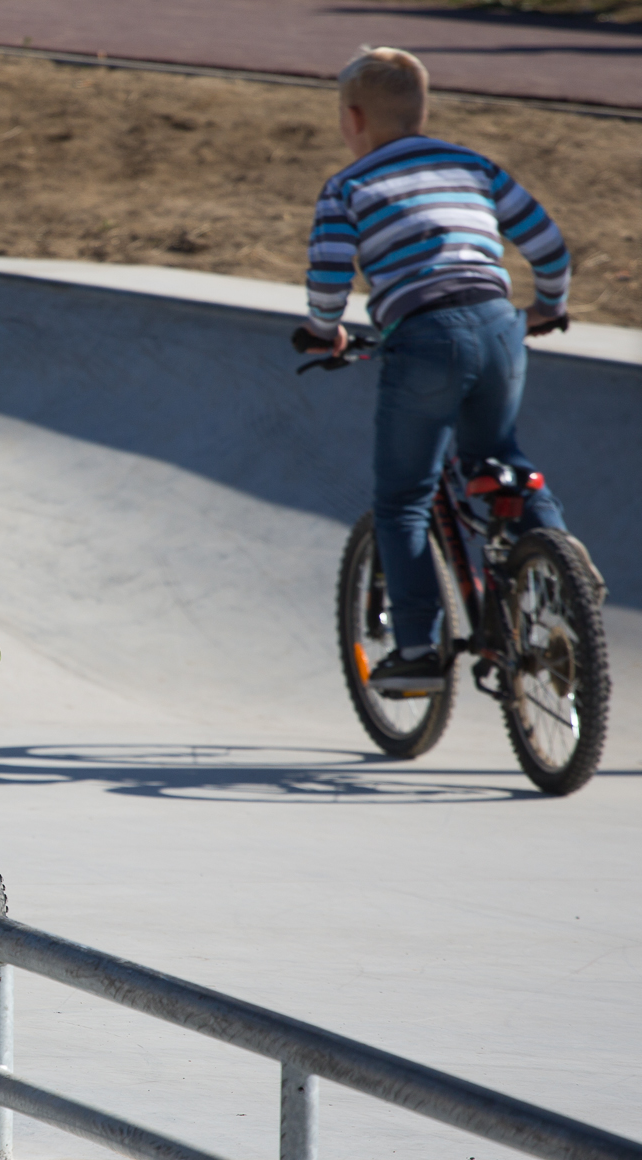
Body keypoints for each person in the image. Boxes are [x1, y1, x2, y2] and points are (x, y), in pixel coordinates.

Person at [295, 45, 581, 693]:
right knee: (499, 456)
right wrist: (548, 308)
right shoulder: (471, 164)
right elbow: (549, 245)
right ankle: (566, 578)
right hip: (500, 326)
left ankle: (419, 648)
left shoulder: (349, 184)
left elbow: (330, 273)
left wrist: (322, 331)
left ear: (354, 117)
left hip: (424, 338)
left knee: (403, 497)